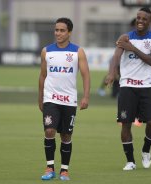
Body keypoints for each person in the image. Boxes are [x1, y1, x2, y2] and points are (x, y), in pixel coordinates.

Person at [105, 7, 151, 171]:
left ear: (150, 22)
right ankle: (130, 161)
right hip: (127, 87)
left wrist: (134, 49)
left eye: (144, 19)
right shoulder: (125, 37)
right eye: (138, 18)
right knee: (126, 124)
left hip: (146, 86)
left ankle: (146, 149)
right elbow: (116, 56)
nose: (140, 21)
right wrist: (112, 73)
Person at [38, 17, 90, 180]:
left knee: (66, 136)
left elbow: (85, 74)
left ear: (69, 32)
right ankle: (49, 168)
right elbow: (43, 75)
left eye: (62, 30)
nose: (58, 33)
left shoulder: (77, 51)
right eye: (56, 30)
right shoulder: (46, 51)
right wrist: (40, 97)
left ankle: (64, 170)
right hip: (50, 99)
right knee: (49, 130)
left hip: (69, 100)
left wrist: (86, 96)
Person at [97, 18, 136, 98]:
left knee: (122, 76)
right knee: (113, 74)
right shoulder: (127, 37)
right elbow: (118, 50)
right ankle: (102, 89)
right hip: (119, 60)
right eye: (134, 26)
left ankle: (120, 92)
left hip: (127, 62)